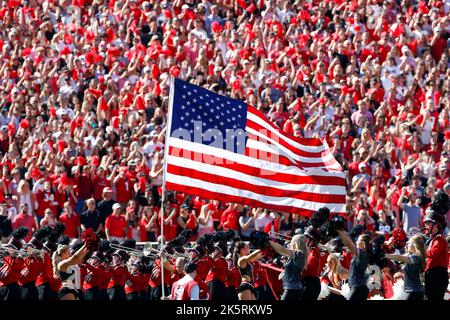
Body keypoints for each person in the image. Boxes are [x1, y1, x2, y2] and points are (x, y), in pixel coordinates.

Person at [385, 234, 427, 300]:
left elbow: (399, 257)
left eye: (409, 243)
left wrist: (385, 255)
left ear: (415, 245)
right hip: (411, 291)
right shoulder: (411, 256)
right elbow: (396, 259)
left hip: (414, 291)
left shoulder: (416, 258)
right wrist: (387, 247)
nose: (407, 245)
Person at [269, 235, 308, 300]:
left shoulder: (298, 253)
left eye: (291, 242)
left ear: (296, 243)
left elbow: (282, 250)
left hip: (292, 289)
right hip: (293, 289)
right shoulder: (298, 254)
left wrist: (269, 242)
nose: (290, 244)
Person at [423, 208, 449, 300]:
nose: (425, 226)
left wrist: (421, 247)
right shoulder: (434, 238)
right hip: (433, 275)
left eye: (428, 223)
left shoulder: (439, 239)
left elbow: (432, 253)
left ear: (436, 225)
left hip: (437, 276)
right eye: (425, 224)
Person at [337, 230, 370, 301]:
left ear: (362, 243)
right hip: (361, 288)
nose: (356, 242)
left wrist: (339, 231)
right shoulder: (364, 254)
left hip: (357, 288)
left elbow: (348, 243)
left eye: (358, 241)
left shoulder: (362, 254)